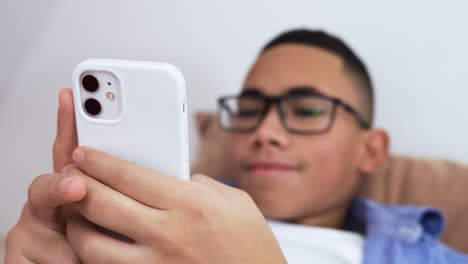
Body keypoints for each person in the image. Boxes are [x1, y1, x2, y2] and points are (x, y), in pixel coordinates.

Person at [4, 29, 467, 263]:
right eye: (249, 109)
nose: (265, 130)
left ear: (371, 149)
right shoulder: (128, 222)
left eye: (305, 110)